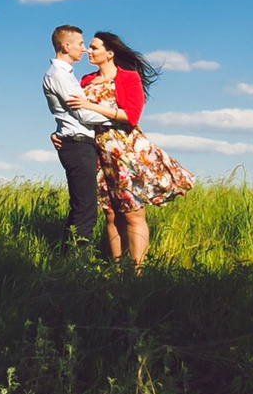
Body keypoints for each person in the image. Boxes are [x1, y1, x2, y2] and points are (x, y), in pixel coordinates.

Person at [79, 30, 194, 268]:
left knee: (132, 213)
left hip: (125, 151)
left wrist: (91, 106)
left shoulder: (128, 78)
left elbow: (131, 116)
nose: (89, 51)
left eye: (94, 47)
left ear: (110, 53)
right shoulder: (86, 81)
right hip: (99, 152)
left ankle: (138, 271)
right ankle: (118, 271)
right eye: (89, 47)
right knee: (110, 213)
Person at [41, 24, 98, 247]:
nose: (84, 49)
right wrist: (120, 117)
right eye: (81, 44)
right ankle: (78, 266)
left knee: (83, 206)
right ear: (66, 46)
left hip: (77, 143)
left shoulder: (66, 75)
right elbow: (82, 113)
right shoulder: (59, 75)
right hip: (77, 145)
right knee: (85, 209)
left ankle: (70, 262)